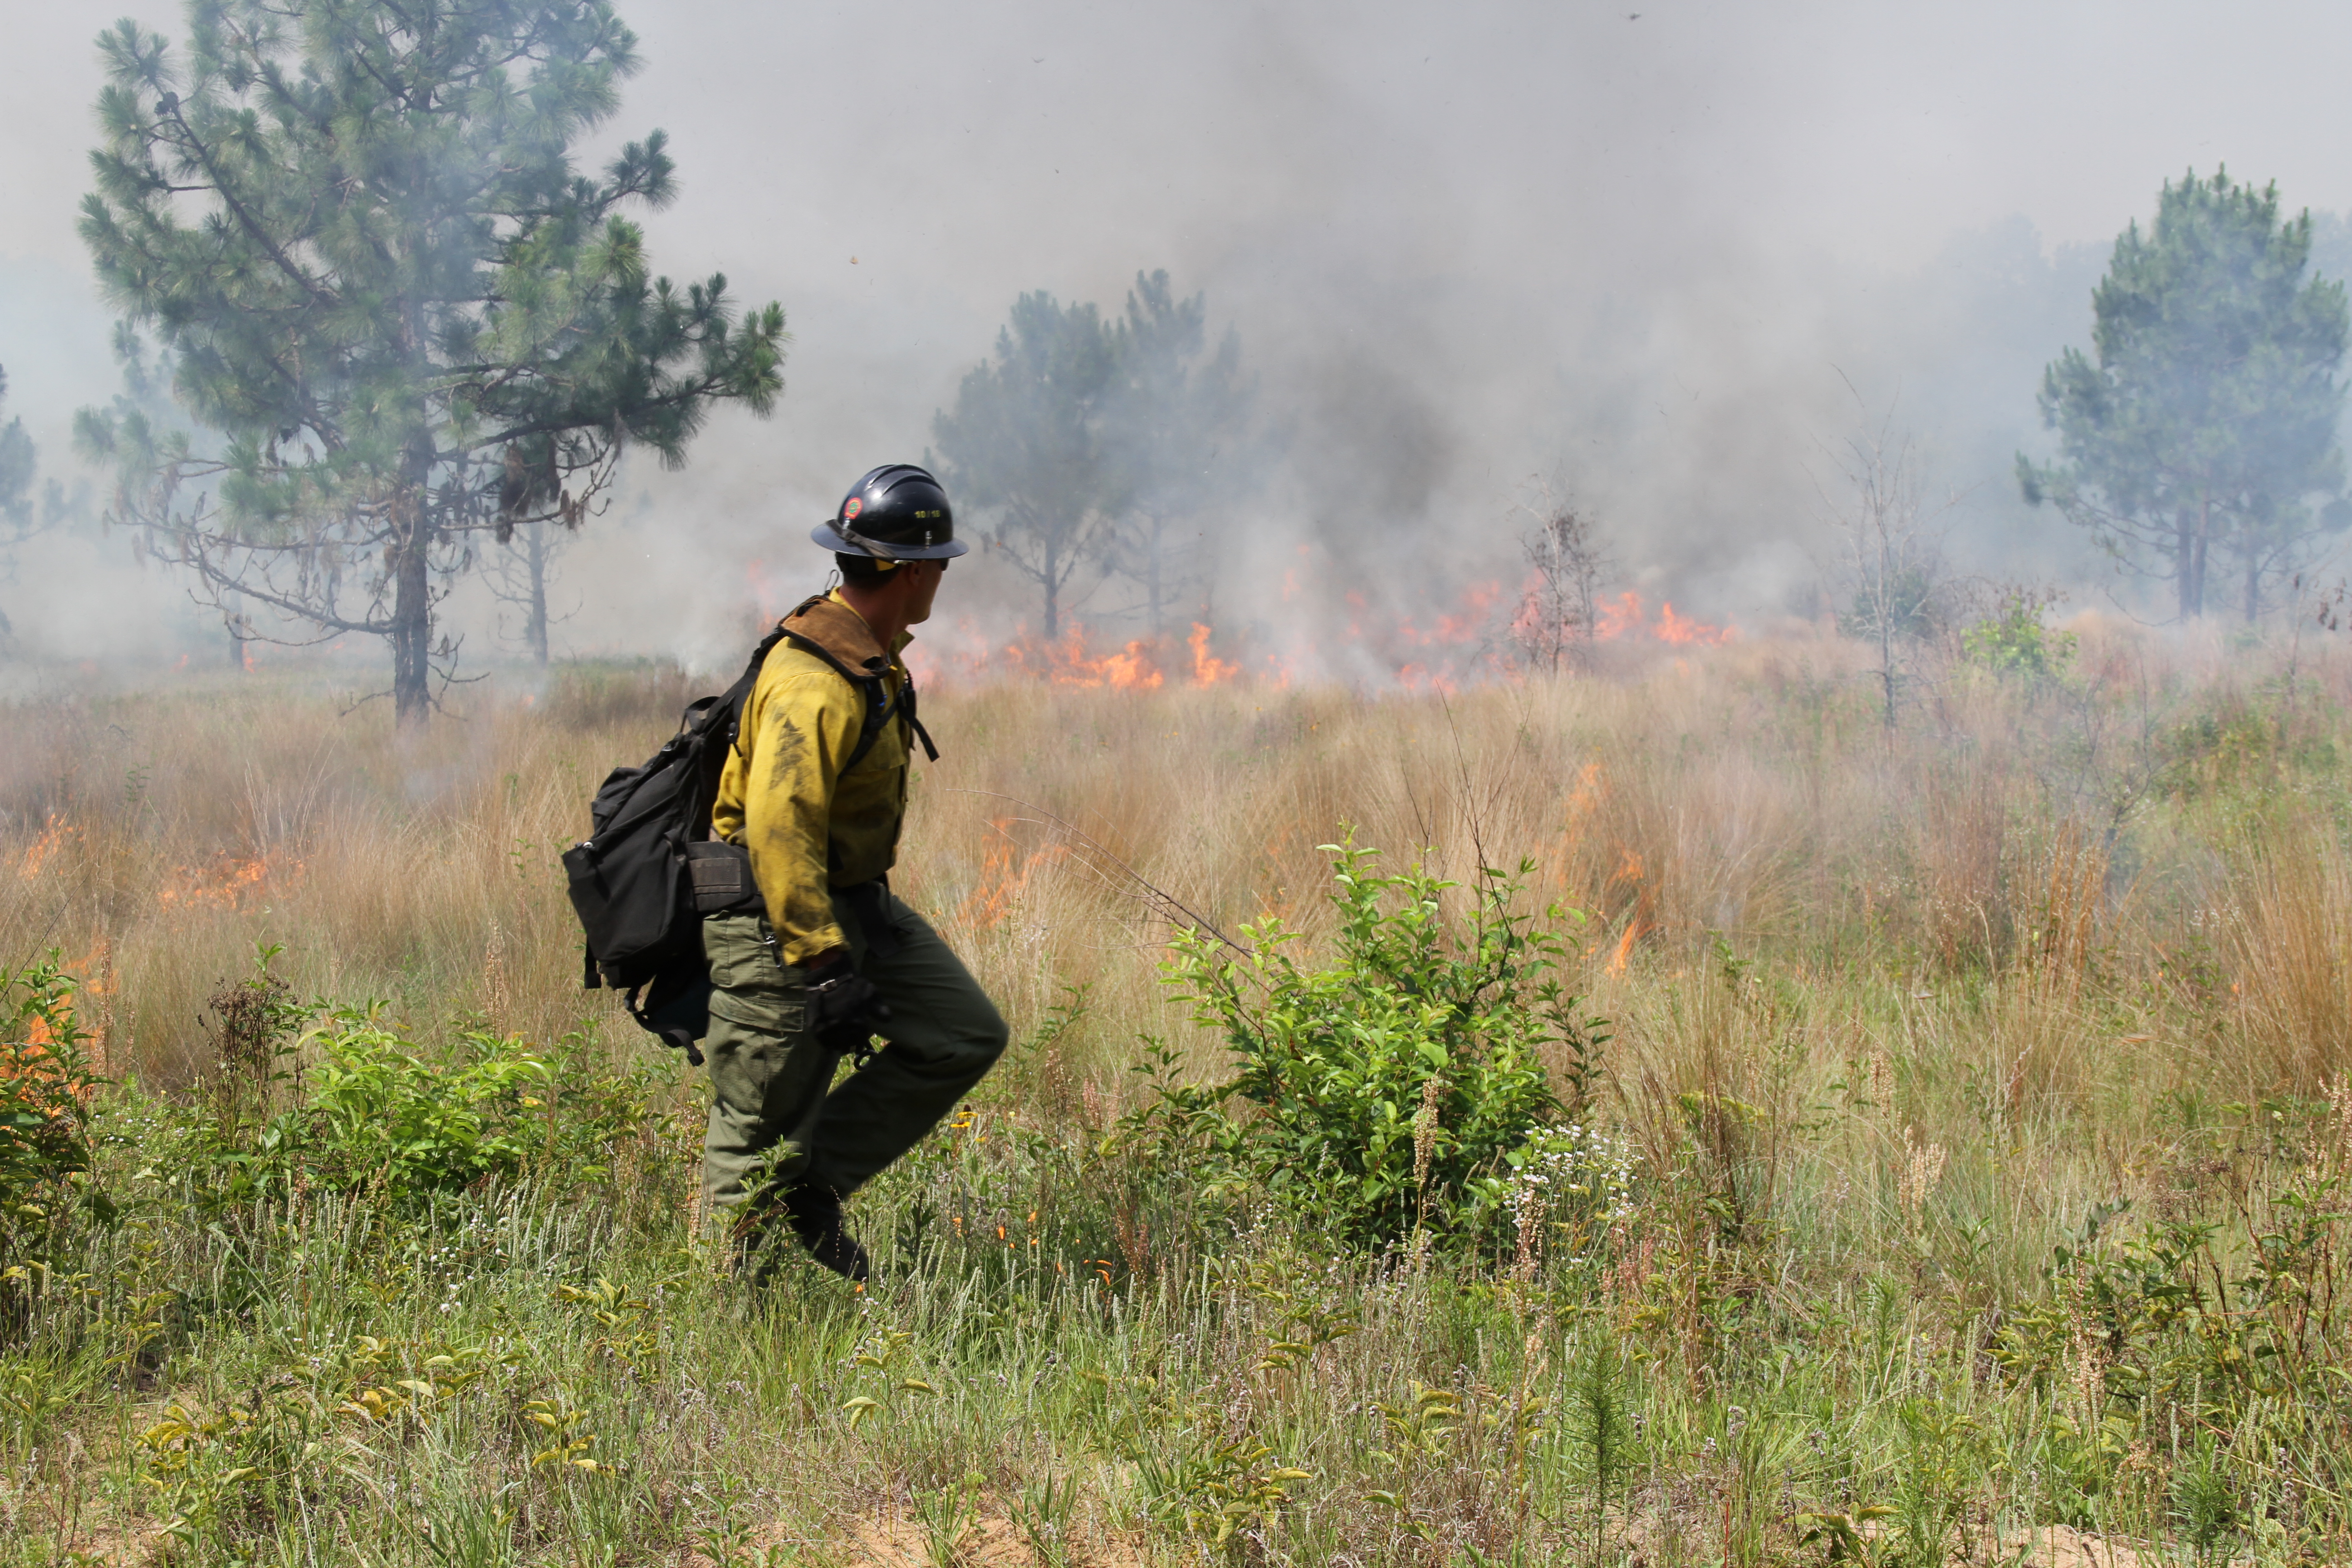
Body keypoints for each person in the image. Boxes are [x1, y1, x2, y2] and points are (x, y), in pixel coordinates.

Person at [700, 463, 1007, 1281]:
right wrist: (826, 965)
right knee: (758, 1129)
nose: (944, 575)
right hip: (777, 922)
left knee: (963, 1034)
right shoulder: (814, 681)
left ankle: (813, 1185)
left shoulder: (866, 654)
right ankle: (729, 1332)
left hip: (853, 903)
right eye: (940, 561)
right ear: (909, 571)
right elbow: (778, 829)